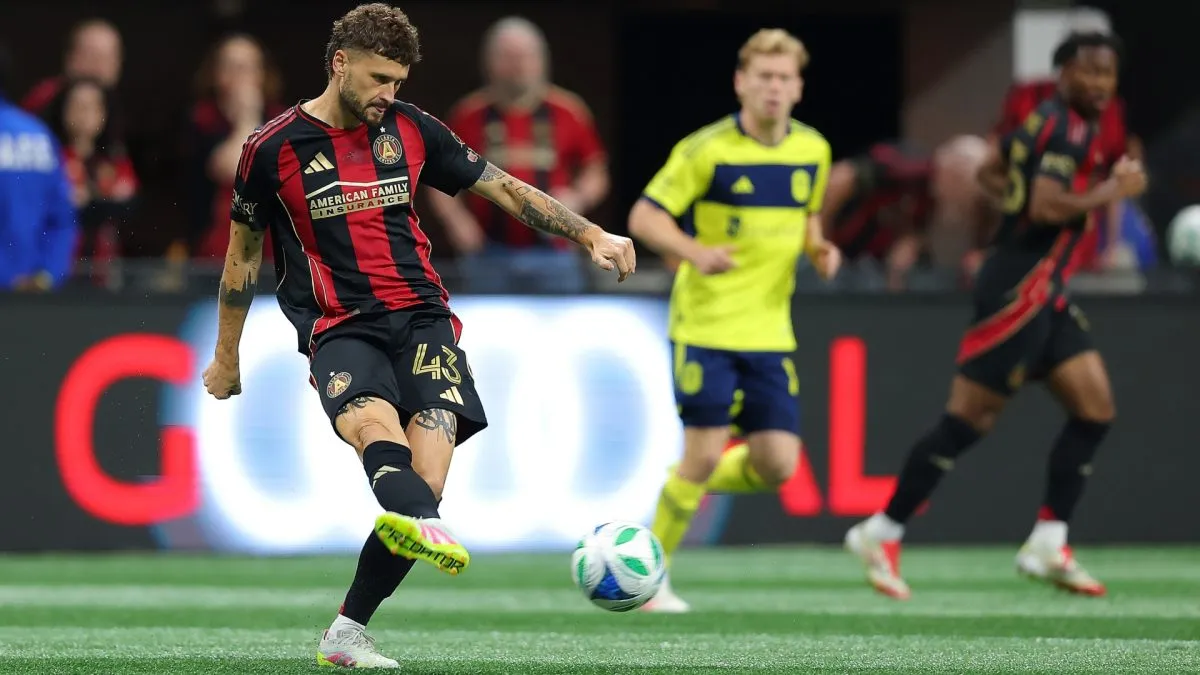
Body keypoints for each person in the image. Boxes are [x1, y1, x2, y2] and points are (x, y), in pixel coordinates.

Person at [199, 4, 634, 668]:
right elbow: (242, 257)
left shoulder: (410, 129)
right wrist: (226, 356)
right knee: (376, 430)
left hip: (425, 320)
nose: (388, 95)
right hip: (341, 326)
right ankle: (419, 521)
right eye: (377, 79)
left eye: (397, 82)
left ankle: (347, 629)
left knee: (423, 482)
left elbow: (505, 190)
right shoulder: (272, 148)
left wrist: (591, 233)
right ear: (339, 63)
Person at [844, 31, 1146, 600]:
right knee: (968, 421)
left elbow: (991, 171)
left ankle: (1048, 542)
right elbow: (1045, 205)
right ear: (1063, 75)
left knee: (1095, 409)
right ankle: (880, 529)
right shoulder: (1064, 128)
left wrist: (1016, 202)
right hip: (1017, 291)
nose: (1101, 84)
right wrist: (1111, 191)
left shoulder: (1041, 121)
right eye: (1089, 73)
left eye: (1109, 74)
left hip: (1044, 288)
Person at [626, 28, 839, 613]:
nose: (773, 88)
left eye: (784, 78)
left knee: (778, 464)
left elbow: (809, 216)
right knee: (704, 451)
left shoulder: (813, 151)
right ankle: (648, 585)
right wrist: (694, 252)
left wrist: (819, 247)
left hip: (770, 333)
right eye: (763, 77)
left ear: (798, 88)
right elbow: (644, 216)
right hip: (707, 328)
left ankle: (682, 483)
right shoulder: (708, 150)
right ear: (741, 83)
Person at [427, 16, 608, 294]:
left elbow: (596, 172)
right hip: (487, 254)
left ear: (542, 60)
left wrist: (577, 198)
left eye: (525, 56)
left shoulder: (568, 111)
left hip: (555, 254)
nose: (517, 65)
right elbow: (437, 177)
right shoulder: (468, 115)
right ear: (489, 62)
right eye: (508, 56)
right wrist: (458, 222)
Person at [177, 34, 287, 263]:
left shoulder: (283, 119)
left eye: (247, 68)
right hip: (215, 249)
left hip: (272, 248)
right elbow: (233, 171)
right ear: (216, 74)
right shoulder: (200, 119)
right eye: (231, 67)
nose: (240, 76)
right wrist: (247, 118)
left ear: (261, 74)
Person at [0, 43, 78, 291]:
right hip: (31, 297)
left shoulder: (37, 135)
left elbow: (61, 218)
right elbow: (63, 221)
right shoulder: (37, 134)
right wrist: (45, 276)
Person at [22, 19, 123, 115]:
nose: (96, 64)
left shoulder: (126, 110)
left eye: (105, 57)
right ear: (69, 56)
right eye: (88, 54)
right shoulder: (43, 98)